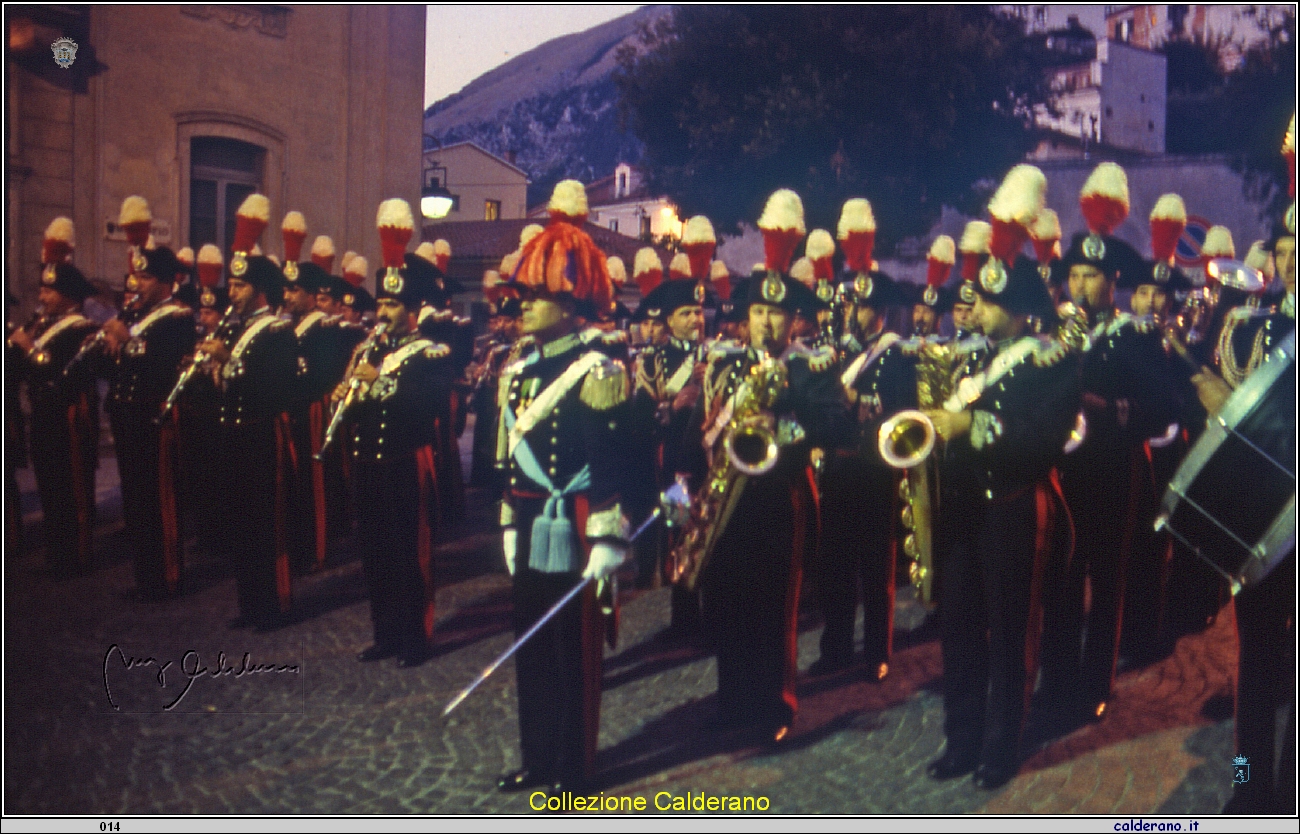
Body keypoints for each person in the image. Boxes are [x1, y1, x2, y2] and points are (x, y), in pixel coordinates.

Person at [683, 189, 851, 742]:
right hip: (731, 495)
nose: (765, 325)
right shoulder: (727, 367)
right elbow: (706, 429)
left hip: (782, 497)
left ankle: (775, 706)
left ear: (793, 320)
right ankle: (732, 699)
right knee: (729, 601)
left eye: (776, 314)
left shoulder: (811, 368)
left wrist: (785, 414)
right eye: (758, 312)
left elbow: (836, 426)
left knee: (774, 605)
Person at [923, 255, 1079, 790]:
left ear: (1021, 313)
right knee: (959, 631)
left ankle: (1000, 747)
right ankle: (960, 739)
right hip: (965, 513)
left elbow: (1041, 441)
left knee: (1012, 634)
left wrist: (970, 424)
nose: (979, 310)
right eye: (981, 301)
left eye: (992, 303)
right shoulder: (969, 365)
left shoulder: (1051, 363)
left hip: (1014, 507)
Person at [495, 181, 632, 793]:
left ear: (571, 298)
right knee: (533, 646)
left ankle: (575, 769)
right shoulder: (521, 369)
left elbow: (613, 462)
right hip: (530, 522)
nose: (521, 304)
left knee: (574, 654)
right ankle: (539, 756)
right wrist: (506, 519)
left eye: (535, 293)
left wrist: (607, 533)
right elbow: (509, 460)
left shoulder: (599, 369)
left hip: (577, 522)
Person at [1039, 221, 1182, 724]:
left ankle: (1095, 683)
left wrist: (1107, 408)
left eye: (1091, 276)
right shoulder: (1056, 332)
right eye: (1074, 274)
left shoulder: (1135, 335)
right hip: (1064, 473)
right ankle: (1054, 679)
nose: (1079, 285)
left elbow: (1163, 406)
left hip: (1113, 471)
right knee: (1059, 578)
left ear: (1113, 281)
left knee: (1106, 581)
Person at [347, 228, 453, 668]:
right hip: (370, 461)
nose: (383, 313)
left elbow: (428, 405)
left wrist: (381, 383)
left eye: (392, 306)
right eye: (381, 305)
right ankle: (384, 632)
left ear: (412, 310)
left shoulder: (430, 351)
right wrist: (348, 394)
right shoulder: (367, 350)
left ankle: (415, 637)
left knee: (411, 553)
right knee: (376, 553)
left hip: (406, 460)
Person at [813, 246, 911, 680]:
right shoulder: (839, 350)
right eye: (853, 304)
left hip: (874, 469)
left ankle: (877, 651)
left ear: (881, 312)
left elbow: (901, 408)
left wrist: (855, 397)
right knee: (835, 564)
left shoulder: (896, 354)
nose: (857, 313)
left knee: (876, 565)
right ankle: (834, 647)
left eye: (866, 307)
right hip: (839, 467)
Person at [202, 254, 298, 630]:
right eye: (232, 285)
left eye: (240, 286)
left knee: (266, 522)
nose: (232, 292)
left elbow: (274, 388)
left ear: (259, 291)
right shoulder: (232, 329)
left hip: (261, 433)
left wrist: (230, 363)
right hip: (235, 434)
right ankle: (250, 602)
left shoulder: (277, 332)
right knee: (240, 522)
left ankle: (275, 603)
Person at [101, 245, 196, 598]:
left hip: (154, 415)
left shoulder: (178, 316)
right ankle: (145, 576)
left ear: (164, 280)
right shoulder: (136, 314)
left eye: (145, 277)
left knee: (159, 497)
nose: (138, 283)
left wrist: (128, 342)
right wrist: (111, 344)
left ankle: (166, 575)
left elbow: (163, 364)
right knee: (135, 498)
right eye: (137, 277)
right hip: (127, 412)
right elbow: (113, 364)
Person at [10, 259, 101, 575]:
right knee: (49, 485)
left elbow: (58, 371)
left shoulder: (80, 328)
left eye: (50, 290)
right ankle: (57, 552)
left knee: (69, 487)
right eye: (42, 289)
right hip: (43, 414)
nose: (43, 297)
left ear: (69, 295)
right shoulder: (44, 325)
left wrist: (30, 348)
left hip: (68, 416)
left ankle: (76, 555)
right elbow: (24, 370)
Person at [631, 277, 707, 631]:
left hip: (711, 465)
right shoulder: (652, 362)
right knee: (679, 534)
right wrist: (673, 406)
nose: (696, 319)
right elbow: (640, 420)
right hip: (676, 467)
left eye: (699, 311)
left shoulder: (719, 354)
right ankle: (684, 618)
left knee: (711, 534)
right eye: (687, 313)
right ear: (670, 321)